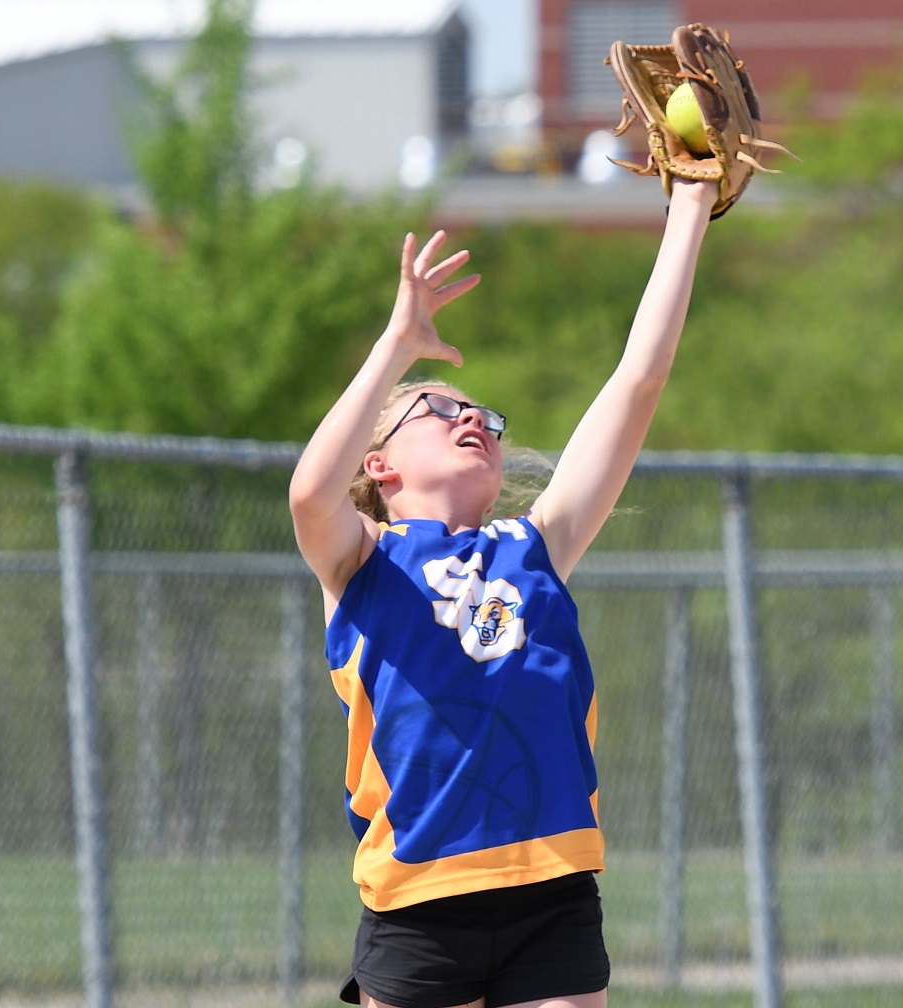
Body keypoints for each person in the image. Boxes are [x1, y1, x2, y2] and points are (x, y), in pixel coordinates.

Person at [288, 178, 716, 1008]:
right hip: (417, 901)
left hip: (551, 887)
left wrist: (691, 208)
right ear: (379, 465)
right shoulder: (361, 563)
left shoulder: (538, 546)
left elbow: (639, 379)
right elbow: (310, 495)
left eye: (482, 412)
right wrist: (396, 350)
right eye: (439, 409)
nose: (472, 416)